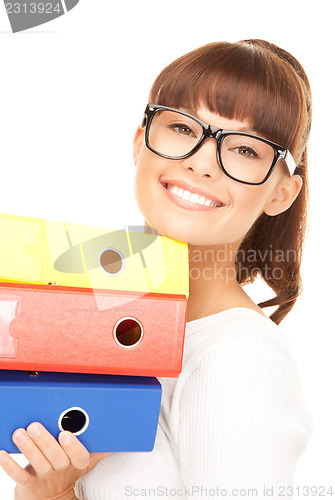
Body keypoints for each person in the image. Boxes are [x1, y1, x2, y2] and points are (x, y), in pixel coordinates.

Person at [0, 39, 313, 499]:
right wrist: (50, 491)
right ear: (138, 143)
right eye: (183, 128)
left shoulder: (239, 358)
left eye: (246, 150)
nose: (203, 162)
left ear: (280, 194)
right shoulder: (102, 324)